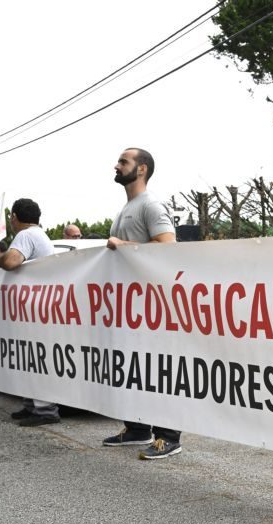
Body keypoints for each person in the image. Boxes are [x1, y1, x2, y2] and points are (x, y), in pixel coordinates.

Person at [103, 147, 183, 460]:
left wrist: (123, 245)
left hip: (152, 305)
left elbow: (167, 245)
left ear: (141, 169)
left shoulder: (150, 205)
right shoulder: (126, 208)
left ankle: (169, 436)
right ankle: (137, 428)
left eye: (124, 161)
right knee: (134, 369)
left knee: (159, 368)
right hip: (129, 307)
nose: (117, 164)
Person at [0, 198, 62, 427]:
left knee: (35, 358)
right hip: (37, 307)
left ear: (14, 217)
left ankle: (45, 409)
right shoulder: (40, 235)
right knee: (29, 358)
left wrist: (0, 259)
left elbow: (12, 261)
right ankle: (32, 405)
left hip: (34, 309)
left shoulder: (25, 236)